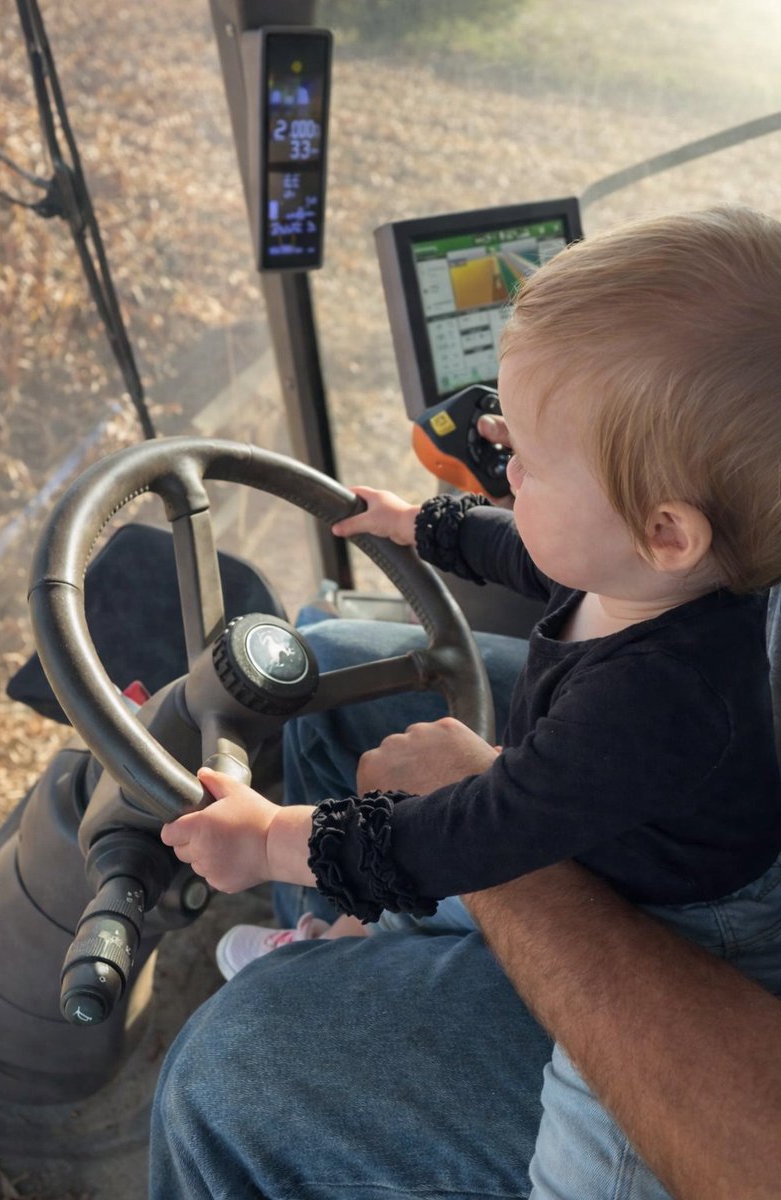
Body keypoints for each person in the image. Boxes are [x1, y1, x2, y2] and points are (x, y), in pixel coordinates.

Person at [152, 206, 781, 1198]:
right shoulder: (640, 571)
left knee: (594, 1149)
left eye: (529, 461)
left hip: (689, 934)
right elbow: (527, 552)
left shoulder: (660, 703)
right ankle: (337, 941)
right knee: (343, 687)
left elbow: (479, 831)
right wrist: (419, 525)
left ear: (664, 532)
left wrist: (272, 838)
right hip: (607, 827)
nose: (503, 469)